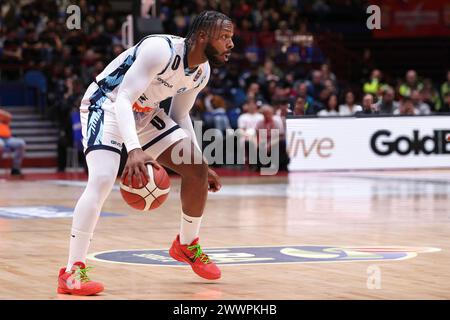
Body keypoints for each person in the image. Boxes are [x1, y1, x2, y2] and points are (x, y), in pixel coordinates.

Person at [57, 11, 234, 296]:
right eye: (225, 37)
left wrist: (201, 160)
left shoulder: (202, 72)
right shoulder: (159, 50)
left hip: (144, 112)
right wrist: (134, 150)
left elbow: (180, 114)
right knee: (102, 178)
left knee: (196, 169)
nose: (231, 44)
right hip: (108, 104)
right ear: (203, 36)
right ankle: (72, 271)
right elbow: (123, 99)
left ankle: (186, 245)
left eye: (231, 37)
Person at [0, 108, 26, 176]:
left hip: (8, 139)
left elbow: (9, 116)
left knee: (21, 143)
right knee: (0, 144)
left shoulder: (2, 116)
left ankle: (15, 168)